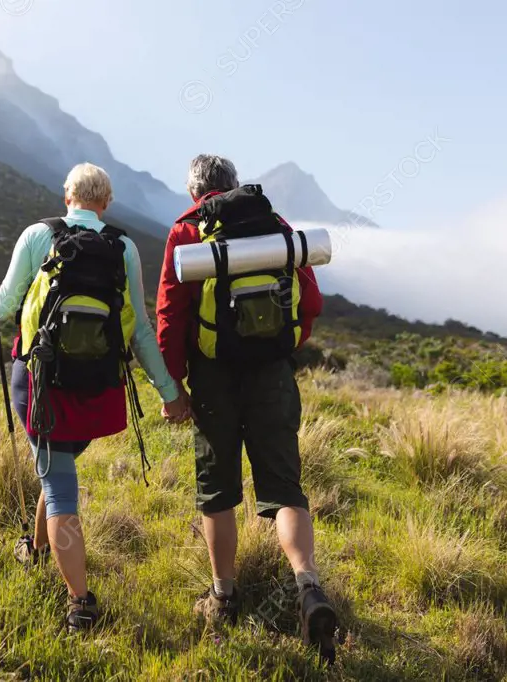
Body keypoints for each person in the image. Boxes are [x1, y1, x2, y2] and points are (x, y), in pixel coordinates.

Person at [0, 162, 191, 631]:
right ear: (106, 203)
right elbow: (140, 333)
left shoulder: (38, 236)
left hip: (40, 384)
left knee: (58, 486)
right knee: (57, 471)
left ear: (66, 197)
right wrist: (170, 393)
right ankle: (33, 550)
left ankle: (79, 602)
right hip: (98, 389)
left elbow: (4, 306)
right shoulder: (124, 247)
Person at [155, 154, 338, 659]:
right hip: (273, 371)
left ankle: (224, 596)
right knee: (285, 488)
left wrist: (174, 388)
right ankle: (307, 586)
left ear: (196, 192)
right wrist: (285, 345)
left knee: (217, 490)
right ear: (234, 185)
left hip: (213, 376)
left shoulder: (189, 230)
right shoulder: (273, 225)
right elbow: (311, 300)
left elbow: (171, 312)